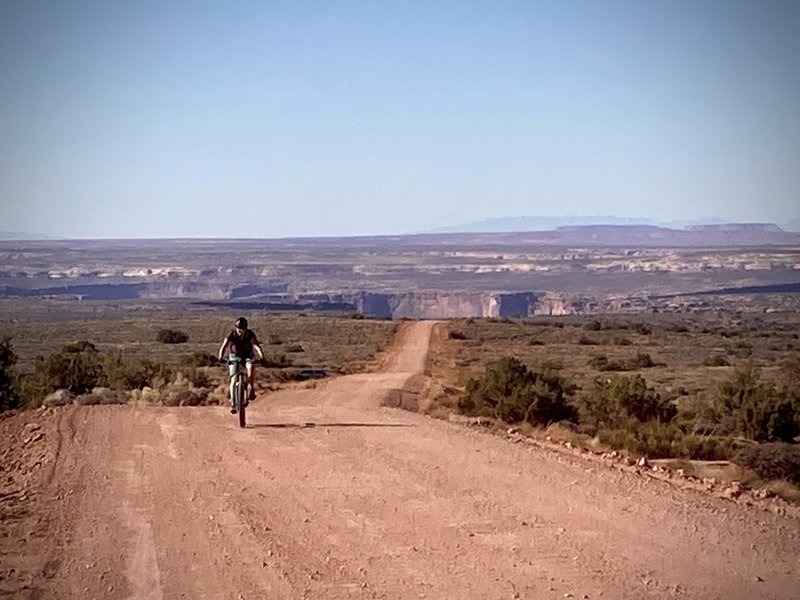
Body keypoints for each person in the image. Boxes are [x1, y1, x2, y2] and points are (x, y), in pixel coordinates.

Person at [217, 317, 265, 413]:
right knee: (233, 380)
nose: (240, 331)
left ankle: (250, 389)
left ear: (245, 329)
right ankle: (233, 403)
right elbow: (224, 346)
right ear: (236, 328)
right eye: (239, 329)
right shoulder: (231, 334)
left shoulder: (249, 334)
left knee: (250, 369)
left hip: (248, 356)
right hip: (234, 357)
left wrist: (262, 356)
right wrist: (220, 357)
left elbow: (256, 345)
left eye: (242, 329)